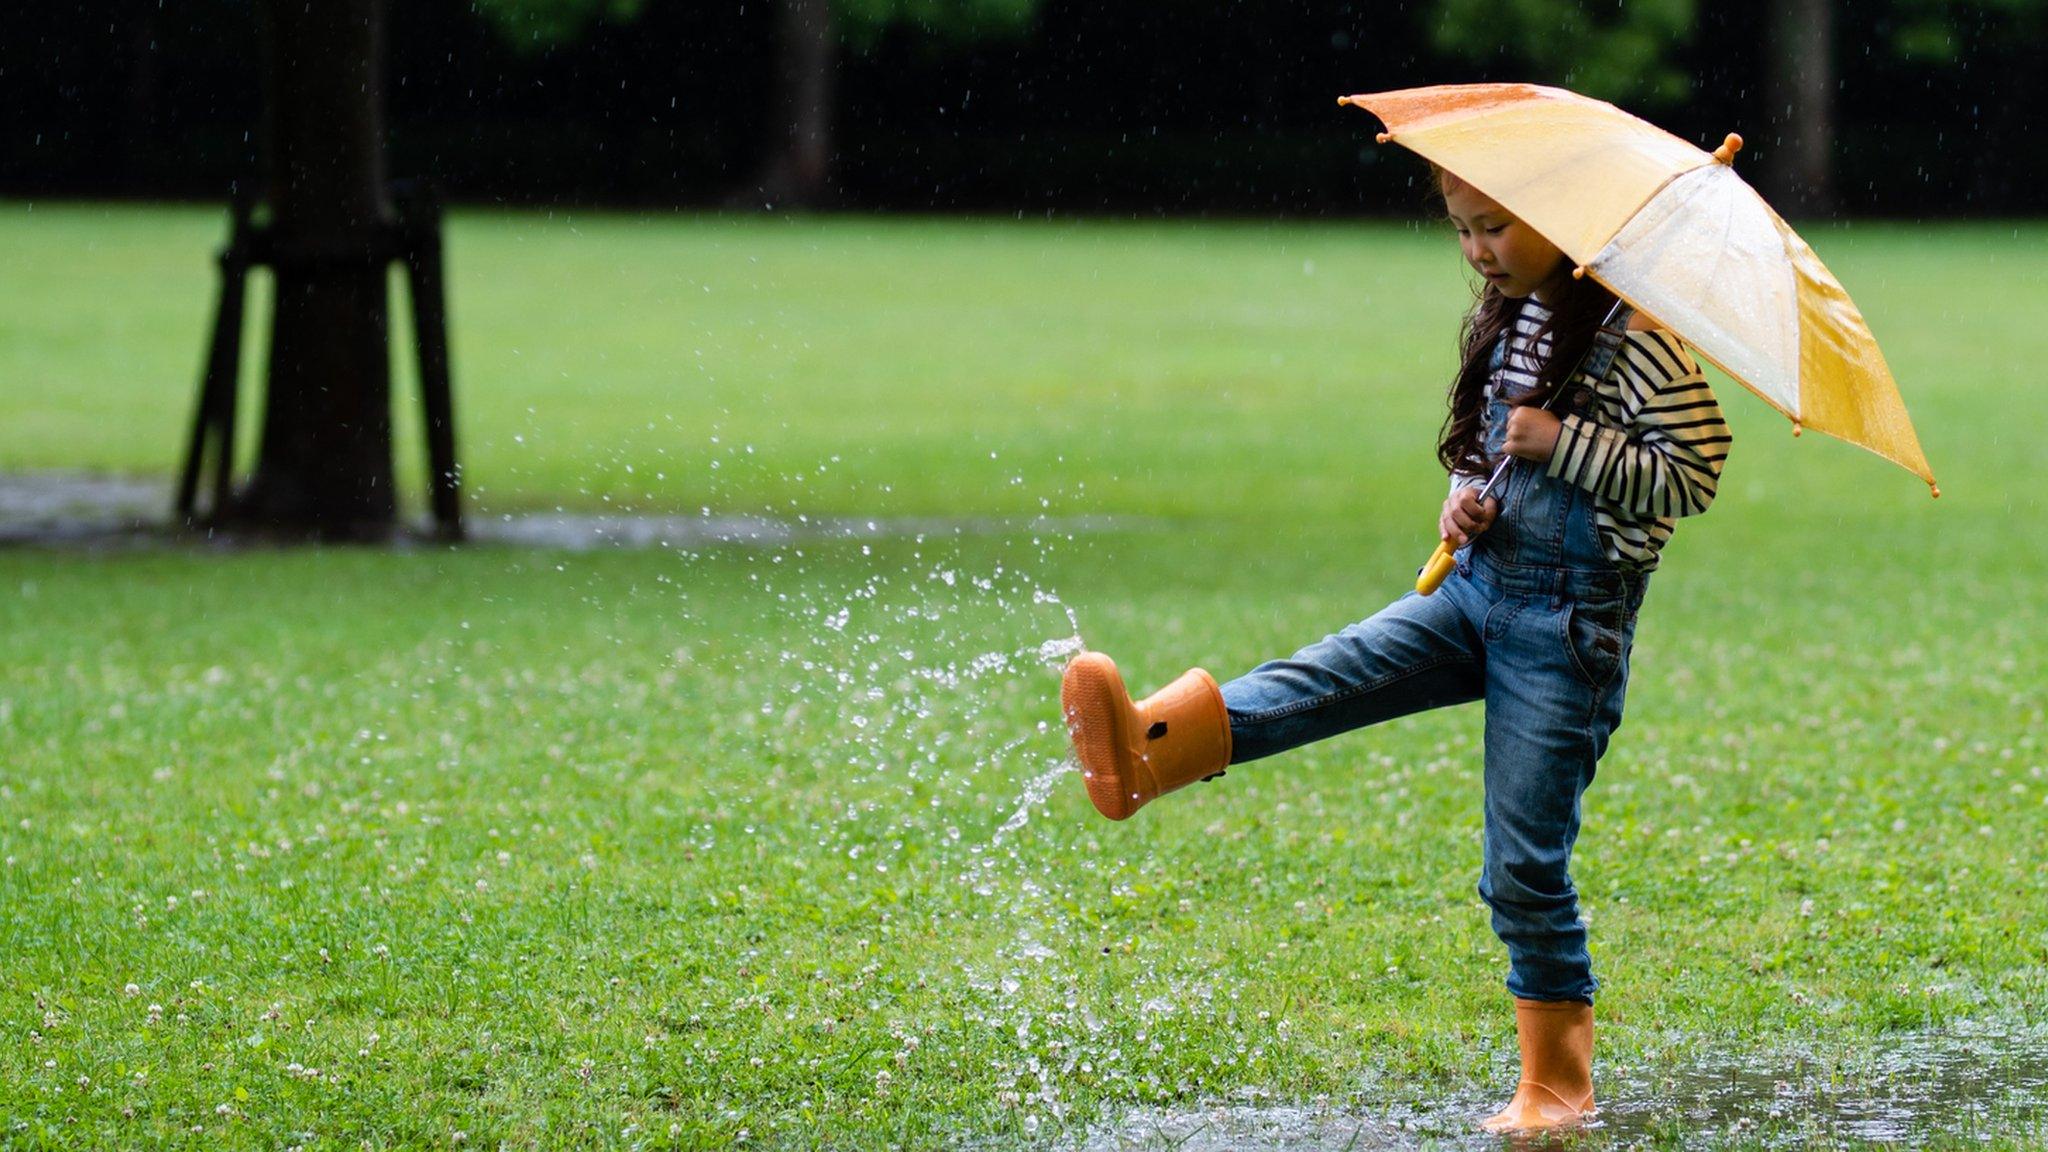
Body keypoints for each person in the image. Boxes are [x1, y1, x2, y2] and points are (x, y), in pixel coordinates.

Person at [1058, 168, 1731, 1133]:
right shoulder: (1519, 320)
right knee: (1326, 676)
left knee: (1523, 864)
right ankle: (1150, 749)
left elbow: (1691, 476)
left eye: (1493, 227)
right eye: (1462, 231)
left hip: (1566, 631)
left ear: (1555, 220)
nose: (1477, 251)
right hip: (1475, 587)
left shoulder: (1646, 344)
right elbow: (1487, 448)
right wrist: (1465, 496)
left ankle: (1557, 1084)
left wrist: (1564, 443)